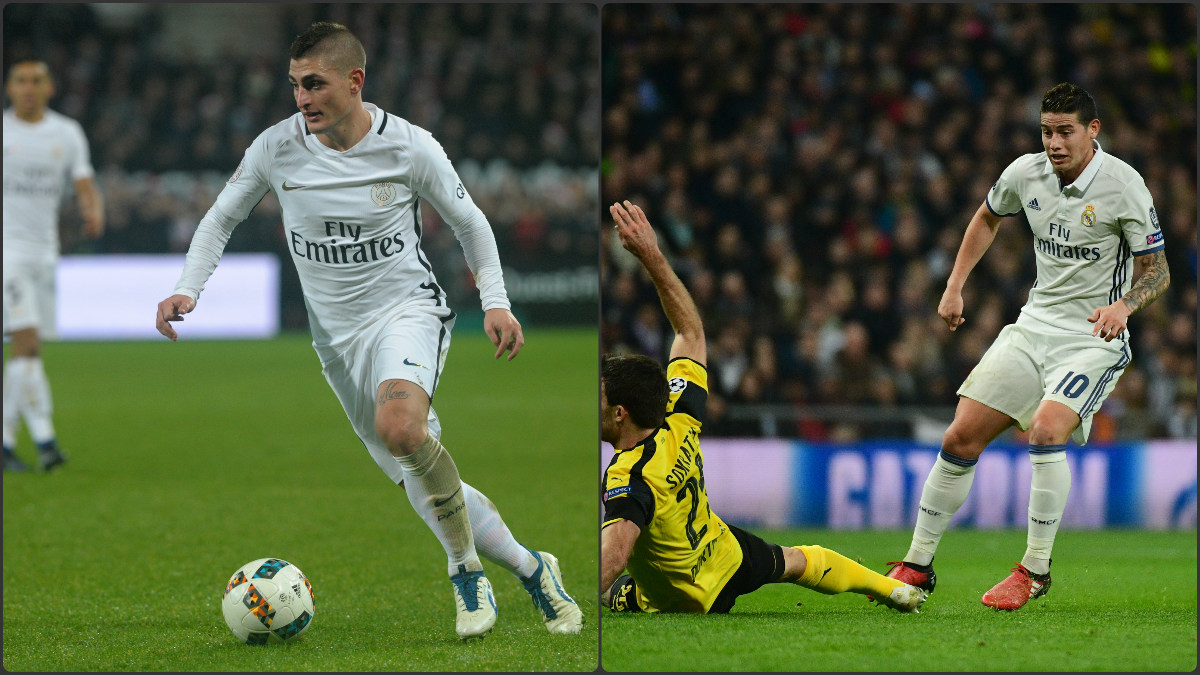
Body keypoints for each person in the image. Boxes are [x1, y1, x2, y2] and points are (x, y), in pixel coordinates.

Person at [153, 22, 581, 639]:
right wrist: (187, 289)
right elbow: (220, 218)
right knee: (419, 468)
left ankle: (465, 572)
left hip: (405, 311)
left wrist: (496, 301)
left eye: (315, 84)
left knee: (400, 428)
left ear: (354, 82)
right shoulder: (276, 149)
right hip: (336, 343)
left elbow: (470, 221)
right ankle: (533, 567)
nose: (302, 98)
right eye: (295, 85)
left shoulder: (409, 147)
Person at [882, 82, 1171, 610]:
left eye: (1065, 132)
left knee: (1045, 429)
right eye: (1047, 131)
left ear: (1093, 131)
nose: (1054, 143)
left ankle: (1035, 569)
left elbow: (1158, 270)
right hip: (1033, 325)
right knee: (960, 437)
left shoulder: (1124, 184)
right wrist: (954, 284)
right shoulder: (1026, 172)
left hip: (1092, 338)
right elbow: (988, 217)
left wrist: (1124, 307)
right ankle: (917, 564)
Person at [600, 200, 927, 615]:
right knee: (797, 561)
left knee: (620, 593)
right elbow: (690, 330)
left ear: (620, 413)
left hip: (684, 598)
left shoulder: (629, 474)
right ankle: (892, 590)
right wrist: (652, 256)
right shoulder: (678, 418)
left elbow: (612, 558)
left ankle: (627, 597)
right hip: (725, 555)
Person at [3, 58, 105, 473]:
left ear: (50, 88)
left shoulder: (66, 132)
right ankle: (46, 441)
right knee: (26, 344)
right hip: (6, 254)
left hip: (45, 253)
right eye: (21, 81)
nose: (29, 88)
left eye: (37, 81)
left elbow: (83, 181)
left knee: (28, 353)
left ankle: (6, 443)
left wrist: (92, 209)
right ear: (10, 89)